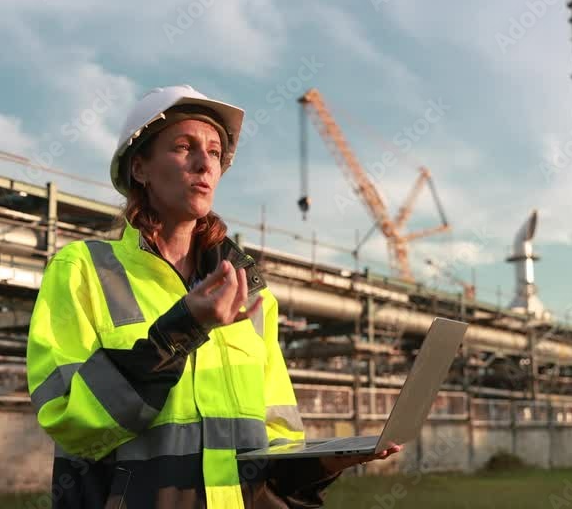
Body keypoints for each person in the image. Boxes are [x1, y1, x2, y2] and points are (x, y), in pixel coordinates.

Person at [27, 84, 401, 508]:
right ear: (140, 169)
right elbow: (71, 419)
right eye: (183, 147)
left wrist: (328, 461)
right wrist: (182, 327)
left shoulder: (252, 295)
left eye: (214, 152)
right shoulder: (83, 269)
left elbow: (273, 452)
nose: (204, 163)